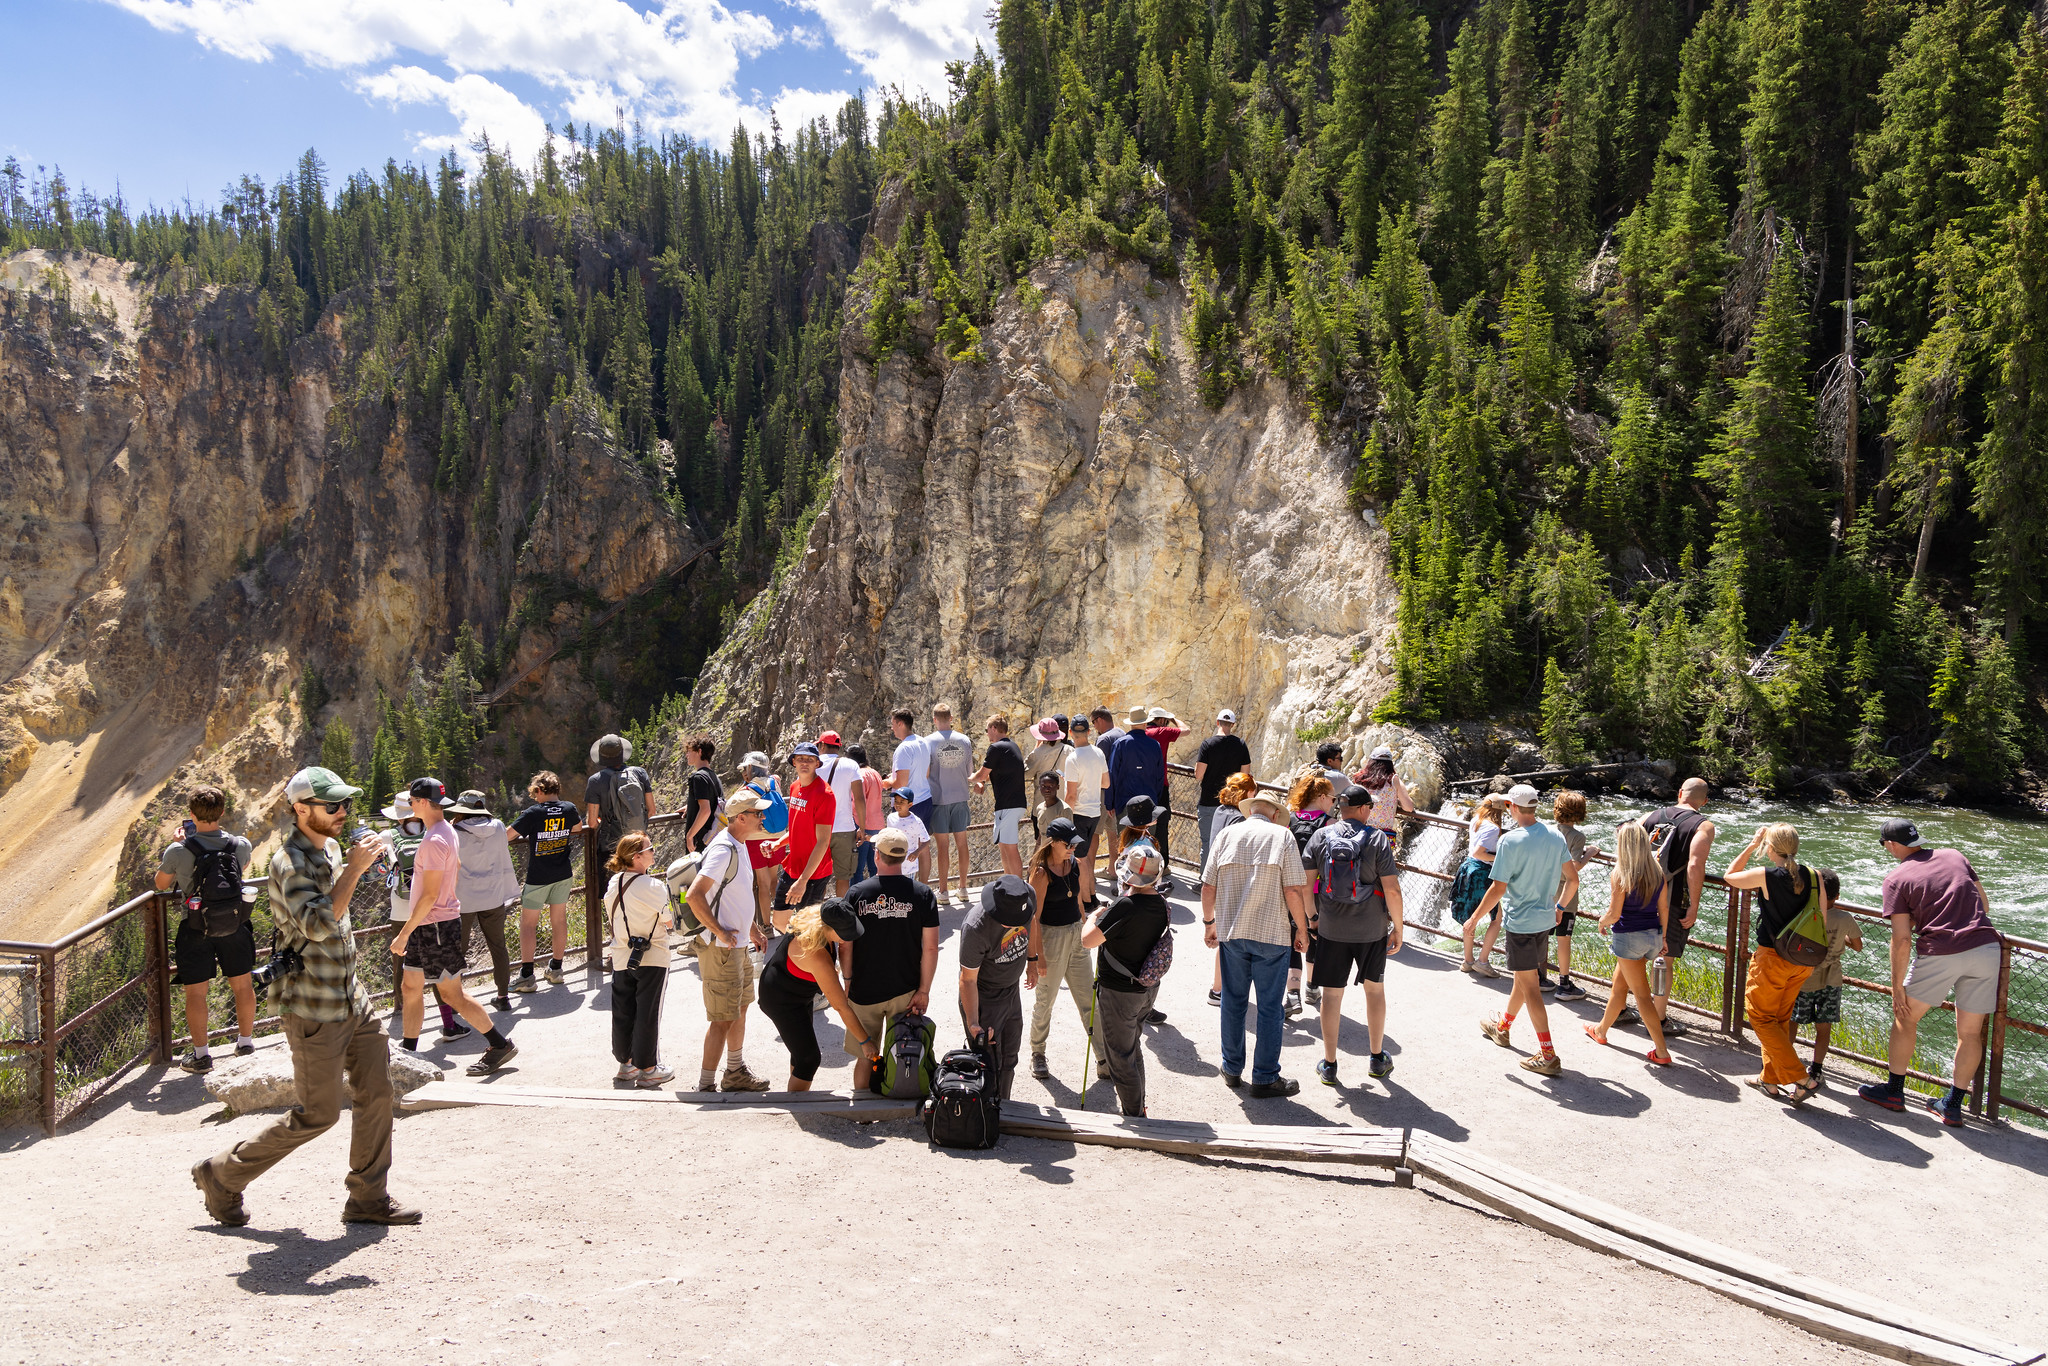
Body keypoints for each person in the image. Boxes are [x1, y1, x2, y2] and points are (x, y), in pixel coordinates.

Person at [190, 767, 417, 1228]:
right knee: (318, 1115)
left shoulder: (331, 847)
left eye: (344, 805)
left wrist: (359, 863)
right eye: (331, 806)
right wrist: (354, 870)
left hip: (353, 999)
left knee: (377, 1093)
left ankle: (368, 1199)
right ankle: (222, 1173)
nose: (342, 813)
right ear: (300, 809)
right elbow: (317, 925)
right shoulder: (288, 863)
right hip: (314, 1008)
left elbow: (339, 903)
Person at [1860, 818, 2004, 1126]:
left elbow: (1901, 939)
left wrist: (1897, 986)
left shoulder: (1896, 879)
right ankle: (1951, 1105)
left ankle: (1894, 1091)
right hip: (1986, 947)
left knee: (1905, 1017)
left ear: (1891, 845)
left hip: (1941, 952)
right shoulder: (1954, 855)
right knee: (1969, 1032)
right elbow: (1985, 905)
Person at [389, 778, 517, 1074]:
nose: (409, 806)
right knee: (411, 986)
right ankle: (408, 1050)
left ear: (421, 802)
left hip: (434, 925)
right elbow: (455, 869)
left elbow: (430, 895)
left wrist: (404, 933)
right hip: (431, 924)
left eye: (411, 800)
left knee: (451, 994)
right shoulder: (445, 830)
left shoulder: (435, 840)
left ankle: (499, 1045)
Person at [1203, 787, 1311, 1097]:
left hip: (1233, 932)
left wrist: (1210, 923)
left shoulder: (1226, 836)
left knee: (1233, 1002)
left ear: (1251, 810)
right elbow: (1293, 890)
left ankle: (1231, 1067)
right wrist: (1301, 931)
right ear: (1275, 814)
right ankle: (1264, 1077)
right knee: (1269, 1008)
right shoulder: (1282, 837)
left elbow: (1208, 886)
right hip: (1272, 935)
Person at [1470, 785, 1578, 1077]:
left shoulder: (1510, 841)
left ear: (1510, 807)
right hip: (1544, 921)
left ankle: (1548, 1054)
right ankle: (1502, 1028)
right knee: (1524, 977)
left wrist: (1475, 918)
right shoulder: (1555, 836)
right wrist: (1559, 907)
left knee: (1530, 987)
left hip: (1520, 923)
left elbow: (1498, 888)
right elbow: (1573, 880)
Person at [1305, 786, 1405, 1086]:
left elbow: (1304, 884)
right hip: (1371, 929)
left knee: (1332, 996)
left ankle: (1330, 1064)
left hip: (1331, 928)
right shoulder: (1377, 839)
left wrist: (1313, 919)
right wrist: (1397, 928)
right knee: (1374, 991)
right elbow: (1392, 890)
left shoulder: (1321, 836)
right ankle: (1376, 1058)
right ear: (1364, 809)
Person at [1723, 823, 1827, 1105]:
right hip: (1802, 960)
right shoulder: (1814, 876)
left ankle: (1803, 1078)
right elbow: (1823, 921)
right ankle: (1769, 1079)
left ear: (1769, 846)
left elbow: (1729, 876)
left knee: (1759, 1016)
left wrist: (1749, 844)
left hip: (1773, 958)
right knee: (1778, 1019)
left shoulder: (1766, 875)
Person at [155, 786, 257, 1073]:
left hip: (196, 926)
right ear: (222, 812)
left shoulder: (179, 850)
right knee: (243, 985)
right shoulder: (240, 844)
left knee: (196, 993)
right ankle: (246, 1044)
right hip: (235, 924)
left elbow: (161, 884)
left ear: (191, 815)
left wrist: (178, 846)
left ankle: (201, 1056)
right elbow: (242, 868)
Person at [685, 789, 775, 1093]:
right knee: (723, 1017)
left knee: (739, 1008)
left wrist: (750, 928)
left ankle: (734, 1071)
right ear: (740, 818)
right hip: (721, 948)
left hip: (737, 946)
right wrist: (721, 931)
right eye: (757, 813)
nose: (762, 818)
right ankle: (706, 1085)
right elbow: (695, 896)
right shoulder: (724, 849)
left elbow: (730, 896)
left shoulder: (738, 844)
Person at [842, 828, 941, 1091]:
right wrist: (924, 990)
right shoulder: (922, 894)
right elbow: (931, 949)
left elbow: (847, 946)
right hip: (905, 989)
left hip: (865, 989)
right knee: (904, 1049)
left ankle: (861, 1112)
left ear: (876, 856)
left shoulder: (856, 894)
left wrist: (847, 979)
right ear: (905, 856)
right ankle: (900, 1097)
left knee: (866, 1055)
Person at [1085, 844, 1173, 1117]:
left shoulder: (1125, 906)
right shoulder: (1161, 904)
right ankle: (1139, 1104)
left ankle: (1135, 1114)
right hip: (1146, 990)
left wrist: (1092, 918)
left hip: (1119, 991)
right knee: (1132, 1048)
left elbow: (1088, 940)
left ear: (1127, 876)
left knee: (1119, 1057)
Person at [755, 899, 877, 1090]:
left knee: (800, 1050)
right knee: (809, 1059)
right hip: (780, 999)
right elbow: (840, 1007)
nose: (849, 938)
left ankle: (796, 1095)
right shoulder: (816, 954)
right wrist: (865, 1041)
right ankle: (797, 1104)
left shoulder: (817, 917)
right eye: (845, 933)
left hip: (797, 991)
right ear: (828, 927)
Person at [1632, 779, 1718, 1038]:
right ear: (1704, 801)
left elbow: (1626, 844)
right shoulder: (1703, 825)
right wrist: (1694, 905)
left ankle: (1621, 1010)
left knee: (1630, 955)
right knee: (1664, 960)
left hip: (1638, 895)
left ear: (1680, 794)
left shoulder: (1651, 816)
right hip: (1671, 901)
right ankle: (1658, 1019)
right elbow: (1694, 865)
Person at [1584, 823, 1672, 1064]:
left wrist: (1601, 922)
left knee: (1642, 997)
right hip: (1652, 936)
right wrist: (1663, 937)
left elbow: (1614, 913)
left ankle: (1662, 1051)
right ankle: (1601, 1031)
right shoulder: (1656, 872)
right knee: (1619, 986)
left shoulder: (1621, 874)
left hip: (1629, 938)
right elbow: (1663, 907)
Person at [604, 832, 675, 1089]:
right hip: (652, 954)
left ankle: (627, 1063)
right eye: (650, 848)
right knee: (648, 1012)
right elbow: (669, 920)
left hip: (622, 954)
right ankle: (649, 1068)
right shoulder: (653, 886)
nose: (653, 852)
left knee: (623, 1010)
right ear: (637, 856)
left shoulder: (614, 883)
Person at [959, 873, 1036, 1098]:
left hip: (1011, 991)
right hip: (985, 995)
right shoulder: (976, 927)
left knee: (1010, 1056)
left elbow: (1034, 923)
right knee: (988, 1060)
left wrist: (1033, 960)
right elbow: (967, 979)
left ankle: (1004, 1105)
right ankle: (985, 1112)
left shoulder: (1027, 896)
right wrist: (974, 1022)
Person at [1026, 817, 1090, 1081]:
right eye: (1068, 845)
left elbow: (1077, 899)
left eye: (1074, 844)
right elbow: (1033, 918)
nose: (1073, 849)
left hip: (1076, 935)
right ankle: (1038, 1054)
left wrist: (1085, 926)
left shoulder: (1073, 863)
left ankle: (1103, 1057)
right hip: (1050, 939)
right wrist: (1036, 957)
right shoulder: (1040, 873)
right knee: (1046, 1001)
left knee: (1089, 1001)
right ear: (1053, 842)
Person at [508, 772, 582, 992]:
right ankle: (556, 969)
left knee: (529, 924)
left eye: (535, 793)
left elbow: (508, 835)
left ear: (539, 790)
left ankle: (527, 975)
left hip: (538, 876)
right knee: (559, 920)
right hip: (562, 874)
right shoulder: (568, 808)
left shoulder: (533, 813)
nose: (535, 798)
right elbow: (577, 828)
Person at [448, 790, 519, 1013]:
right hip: (493, 896)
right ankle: (503, 996)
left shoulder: (454, 832)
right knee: (498, 946)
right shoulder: (498, 826)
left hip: (463, 900)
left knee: (457, 950)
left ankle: (455, 999)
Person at [1795, 868, 1863, 1087]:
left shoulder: (1805, 913)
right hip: (1832, 979)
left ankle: (1782, 1062)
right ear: (1838, 895)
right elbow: (1858, 946)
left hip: (1805, 978)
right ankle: (1816, 1070)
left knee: (1791, 1022)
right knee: (1824, 1027)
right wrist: (1842, 936)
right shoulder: (1845, 918)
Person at [764, 742, 835, 929]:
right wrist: (778, 843)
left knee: (808, 927)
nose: (805, 763)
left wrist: (803, 881)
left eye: (810, 759)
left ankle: (811, 955)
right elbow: (798, 827)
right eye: (801, 758)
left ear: (817, 764)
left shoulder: (825, 794)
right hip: (793, 866)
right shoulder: (795, 786)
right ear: (793, 762)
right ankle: (797, 952)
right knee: (779, 921)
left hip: (813, 873)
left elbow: (823, 841)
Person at [1205, 771, 1260, 1007]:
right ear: (1248, 793)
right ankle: (1218, 990)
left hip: (1216, 877)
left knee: (1229, 938)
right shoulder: (1239, 818)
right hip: (1229, 882)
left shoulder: (1220, 811)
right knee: (1230, 940)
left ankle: (1218, 989)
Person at [1285, 773, 1337, 1015]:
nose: (1334, 803)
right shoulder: (1329, 823)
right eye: (1333, 799)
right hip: (1316, 890)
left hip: (1288, 887)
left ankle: (1292, 993)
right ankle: (1312, 988)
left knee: (1293, 934)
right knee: (1315, 933)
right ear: (1323, 797)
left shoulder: (1289, 817)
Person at [924, 704, 977, 905]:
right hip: (960, 797)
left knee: (943, 847)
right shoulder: (964, 740)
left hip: (939, 799)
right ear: (951, 718)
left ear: (934, 718)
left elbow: (927, 772)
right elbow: (969, 770)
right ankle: (963, 888)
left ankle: (944, 890)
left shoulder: (929, 742)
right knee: (962, 844)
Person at [1453, 794, 1508, 977]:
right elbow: (1479, 853)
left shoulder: (1477, 820)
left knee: (1470, 916)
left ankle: (1468, 960)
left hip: (1468, 869)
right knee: (1497, 918)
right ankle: (1483, 961)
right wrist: (1500, 858)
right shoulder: (1493, 828)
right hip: (1482, 873)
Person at [1547, 791, 1593, 1001]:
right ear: (1580, 812)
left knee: (1542, 936)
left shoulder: (1547, 831)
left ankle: (1540, 976)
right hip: (1565, 896)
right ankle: (1564, 984)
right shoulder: (1577, 837)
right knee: (1563, 939)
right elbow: (1572, 869)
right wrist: (1589, 855)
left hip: (1545, 892)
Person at [584, 733, 656, 868]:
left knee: (612, 887)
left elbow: (592, 823)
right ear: (622, 752)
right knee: (638, 885)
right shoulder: (640, 773)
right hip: (638, 845)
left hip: (610, 847)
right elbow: (651, 810)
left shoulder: (595, 781)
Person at [1194, 709, 1253, 872]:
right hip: (1233, 804)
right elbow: (1245, 775)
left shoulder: (1207, 744)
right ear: (1233, 725)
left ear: (1217, 722)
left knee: (1208, 843)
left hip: (1208, 801)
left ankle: (1205, 882)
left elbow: (1199, 775)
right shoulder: (1241, 745)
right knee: (1230, 844)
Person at [973, 714, 1029, 879]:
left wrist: (967, 778)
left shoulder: (996, 748)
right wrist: (983, 781)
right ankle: (1008, 882)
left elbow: (981, 775)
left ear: (993, 728)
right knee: (1004, 846)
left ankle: (1018, 887)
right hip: (1012, 804)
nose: (987, 734)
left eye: (986, 730)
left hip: (1008, 805)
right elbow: (997, 772)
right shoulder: (1012, 746)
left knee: (1010, 848)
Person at [1061, 716, 1110, 904]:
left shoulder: (1072, 758)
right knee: (1085, 856)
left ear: (1071, 733)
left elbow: (1071, 795)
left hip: (1079, 813)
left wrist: (1065, 816)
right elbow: (1105, 783)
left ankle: (1084, 902)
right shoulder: (1098, 753)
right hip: (1094, 812)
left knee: (1079, 859)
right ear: (1089, 732)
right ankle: (1092, 896)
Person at [735, 752, 787, 929]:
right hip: (777, 839)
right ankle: (785, 922)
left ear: (750, 768)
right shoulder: (775, 783)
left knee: (762, 884)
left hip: (756, 840)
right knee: (774, 881)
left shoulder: (746, 790)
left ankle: (766, 925)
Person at [812, 730, 863, 898]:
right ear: (838, 747)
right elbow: (859, 799)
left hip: (818, 829)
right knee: (843, 877)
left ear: (821, 745)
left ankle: (819, 916)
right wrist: (862, 827)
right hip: (844, 829)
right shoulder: (850, 765)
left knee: (819, 878)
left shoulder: (814, 764)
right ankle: (841, 916)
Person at [888, 707, 934, 844]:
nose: (892, 728)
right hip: (926, 799)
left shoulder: (903, 748)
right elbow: (926, 773)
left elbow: (901, 783)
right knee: (922, 846)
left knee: (901, 846)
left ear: (900, 724)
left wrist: (887, 782)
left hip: (908, 804)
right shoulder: (923, 742)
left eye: (893, 724)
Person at [1355, 745, 1414, 848]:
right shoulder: (1393, 780)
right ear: (1390, 764)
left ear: (1371, 762)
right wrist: (1397, 801)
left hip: (1360, 832)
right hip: (1382, 838)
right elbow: (1409, 807)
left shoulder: (1361, 779)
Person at [845, 743, 886, 885]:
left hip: (861, 824)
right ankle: (878, 900)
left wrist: (859, 827)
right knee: (875, 867)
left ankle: (856, 903)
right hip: (877, 824)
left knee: (856, 869)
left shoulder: (859, 775)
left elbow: (857, 802)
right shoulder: (875, 773)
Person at [681, 735, 723, 855]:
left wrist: (690, 836)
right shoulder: (714, 776)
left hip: (701, 840)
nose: (686, 755)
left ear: (699, 752)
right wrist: (691, 805)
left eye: (689, 751)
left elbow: (705, 810)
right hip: (714, 837)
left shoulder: (698, 777)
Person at [884, 786, 932, 881]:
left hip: (909, 865)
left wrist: (917, 852)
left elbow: (926, 840)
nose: (898, 804)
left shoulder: (915, 821)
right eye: (896, 801)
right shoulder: (891, 818)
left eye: (902, 802)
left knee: (908, 892)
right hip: (893, 862)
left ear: (910, 804)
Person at [1025, 717, 1071, 803]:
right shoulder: (1070, 750)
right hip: (1063, 805)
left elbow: (1026, 774)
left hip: (1042, 805)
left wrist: (1037, 745)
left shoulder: (1038, 753)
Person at [1031, 770, 1072, 846]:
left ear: (1058, 787)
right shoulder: (1039, 808)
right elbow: (1041, 836)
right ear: (1039, 787)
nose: (1047, 789)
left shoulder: (1064, 809)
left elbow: (1068, 838)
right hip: (1045, 853)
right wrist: (1036, 856)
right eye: (1044, 786)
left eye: (1051, 786)